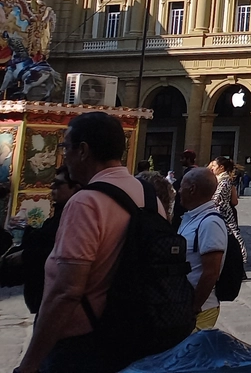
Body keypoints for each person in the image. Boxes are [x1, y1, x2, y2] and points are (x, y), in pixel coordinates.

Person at [16, 112, 168, 373]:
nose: (64, 155)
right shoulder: (149, 195)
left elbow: (66, 290)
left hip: (83, 344)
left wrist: (29, 364)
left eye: (66, 147)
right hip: (136, 333)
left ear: (83, 150)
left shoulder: (86, 202)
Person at [0, 165, 79, 314]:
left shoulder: (71, 215)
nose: (52, 188)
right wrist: (26, 229)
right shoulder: (61, 212)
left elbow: (57, 249)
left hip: (51, 296)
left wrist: (25, 255)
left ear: (75, 188)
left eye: (58, 184)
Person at [177, 166, 227, 330]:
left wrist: (195, 306)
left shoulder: (210, 223)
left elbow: (211, 272)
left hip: (201, 309)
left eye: (181, 186)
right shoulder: (191, 218)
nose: (178, 191)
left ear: (192, 189)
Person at [210, 155, 247, 264]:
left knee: (233, 236)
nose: (212, 168)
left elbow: (216, 199)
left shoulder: (224, 181)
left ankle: (239, 259)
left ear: (221, 167)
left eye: (214, 166)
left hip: (223, 213)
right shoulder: (220, 180)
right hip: (221, 212)